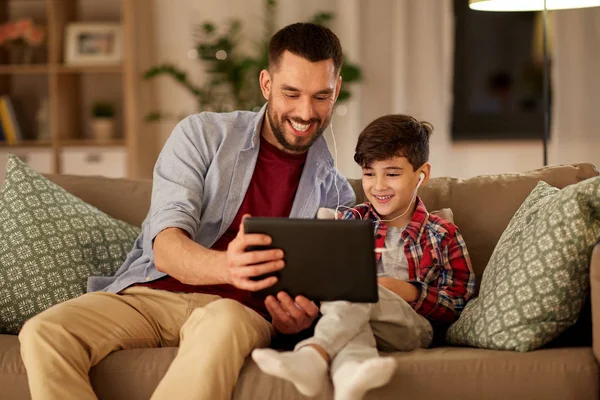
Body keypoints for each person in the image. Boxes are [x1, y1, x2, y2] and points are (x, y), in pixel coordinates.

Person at [18, 22, 355, 400]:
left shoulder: (337, 196)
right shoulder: (203, 135)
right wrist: (229, 266)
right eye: (291, 93)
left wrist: (296, 321)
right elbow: (166, 246)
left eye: (321, 96)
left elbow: (322, 299)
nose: (305, 112)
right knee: (44, 330)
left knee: (224, 320)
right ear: (266, 84)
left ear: (336, 90)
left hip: (234, 312)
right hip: (148, 296)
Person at [252, 114, 476, 400]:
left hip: (409, 329)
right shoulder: (348, 220)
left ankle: (313, 355)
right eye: (369, 174)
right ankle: (349, 377)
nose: (378, 186)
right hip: (350, 325)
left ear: (421, 174)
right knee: (352, 294)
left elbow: (460, 303)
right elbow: (320, 281)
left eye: (392, 174)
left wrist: (399, 289)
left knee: (357, 288)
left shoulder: (442, 233)